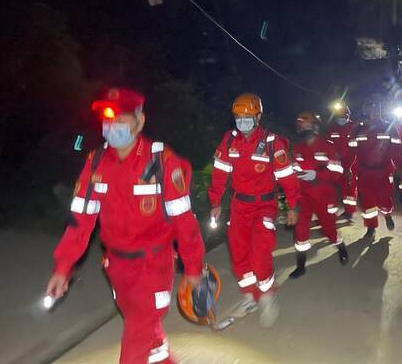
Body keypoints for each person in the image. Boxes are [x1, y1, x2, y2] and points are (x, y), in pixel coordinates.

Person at [46, 87, 204, 364]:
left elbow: (184, 221)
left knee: (136, 337)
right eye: (108, 121)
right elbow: (80, 221)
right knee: (148, 336)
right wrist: (63, 266)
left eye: (121, 120)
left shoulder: (163, 162)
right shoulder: (95, 164)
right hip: (116, 267)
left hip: (153, 265)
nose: (112, 127)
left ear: (140, 122)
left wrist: (193, 267)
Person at [208, 93, 299, 327]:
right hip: (239, 206)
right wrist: (216, 202)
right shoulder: (229, 141)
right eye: (238, 116)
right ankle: (249, 297)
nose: (242, 120)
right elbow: (219, 173)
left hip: (264, 206)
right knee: (239, 256)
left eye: (247, 116)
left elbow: (287, 177)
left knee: (259, 256)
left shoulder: (271, 143)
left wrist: (293, 205)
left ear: (258, 116)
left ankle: (267, 298)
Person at [290, 112, 349, 279]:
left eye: (306, 125)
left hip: (324, 196)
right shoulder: (298, 148)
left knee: (329, 229)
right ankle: (300, 266)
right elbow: (293, 171)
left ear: (315, 127)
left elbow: (338, 172)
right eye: (300, 126)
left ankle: (340, 246)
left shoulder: (327, 147)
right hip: (304, 196)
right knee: (300, 231)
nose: (302, 128)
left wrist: (318, 175)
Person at [342, 98, 402, 241]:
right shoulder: (359, 129)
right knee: (368, 202)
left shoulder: (390, 128)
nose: (373, 111)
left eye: (376, 108)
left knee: (384, 199)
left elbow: (397, 151)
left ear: (380, 110)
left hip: (384, 171)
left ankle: (387, 214)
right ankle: (371, 228)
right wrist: (347, 168)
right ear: (365, 110)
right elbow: (351, 151)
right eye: (370, 108)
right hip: (365, 172)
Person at [326, 102, 359, 220]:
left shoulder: (354, 127)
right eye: (338, 116)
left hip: (351, 162)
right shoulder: (332, 127)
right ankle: (329, 212)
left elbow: (355, 147)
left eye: (343, 115)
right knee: (332, 188)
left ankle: (349, 212)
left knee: (349, 187)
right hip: (336, 163)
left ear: (348, 115)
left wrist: (349, 167)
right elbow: (328, 144)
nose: (341, 118)